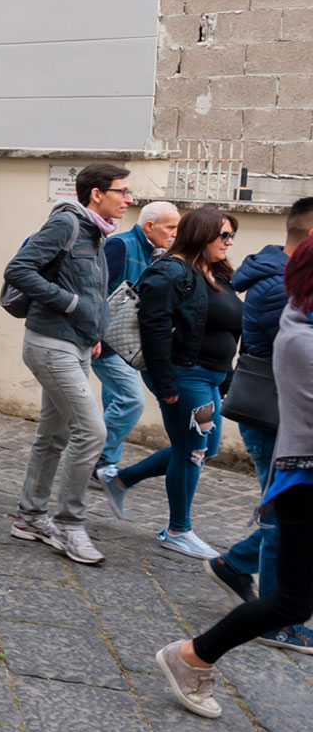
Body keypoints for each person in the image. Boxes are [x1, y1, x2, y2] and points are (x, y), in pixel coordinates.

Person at [155, 238, 313, 717]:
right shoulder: (300, 336)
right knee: (289, 604)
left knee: (293, 600)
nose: (226, 242)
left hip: (295, 470)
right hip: (302, 481)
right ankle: (191, 654)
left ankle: (229, 569)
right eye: (221, 235)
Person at [5, 162, 131, 560]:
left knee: (54, 436)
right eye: (123, 191)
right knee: (91, 432)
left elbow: (93, 288)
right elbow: (19, 269)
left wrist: (93, 331)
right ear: (97, 194)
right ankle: (69, 524)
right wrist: (71, 304)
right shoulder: (67, 224)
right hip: (49, 343)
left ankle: (29, 517)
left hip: (77, 345)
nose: (129, 199)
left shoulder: (97, 232)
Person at [104, 207, 243, 559]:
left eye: (231, 235)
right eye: (223, 235)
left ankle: (120, 480)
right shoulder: (170, 272)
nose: (229, 242)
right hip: (185, 375)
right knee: (192, 450)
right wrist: (166, 385)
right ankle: (178, 530)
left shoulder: (216, 271)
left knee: (205, 448)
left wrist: (227, 375)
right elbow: (153, 329)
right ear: (201, 234)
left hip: (210, 376)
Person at [209, 198, 313, 651]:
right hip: (277, 416)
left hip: (286, 415)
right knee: (282, 515)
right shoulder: (280, 288)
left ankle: (234, 564)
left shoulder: (287, 280)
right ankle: (276, 618)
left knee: (290, 515)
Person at [98, 201, 180, 476]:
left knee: (116, 402)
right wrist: (94, 334)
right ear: (149, 226)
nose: (174, 233)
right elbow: (96, 289)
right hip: (107, 341)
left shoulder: (158, 255)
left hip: (128, 344)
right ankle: (93, 456)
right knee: (131, 400)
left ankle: (104, 463)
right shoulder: (120, 245)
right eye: (170, 227)